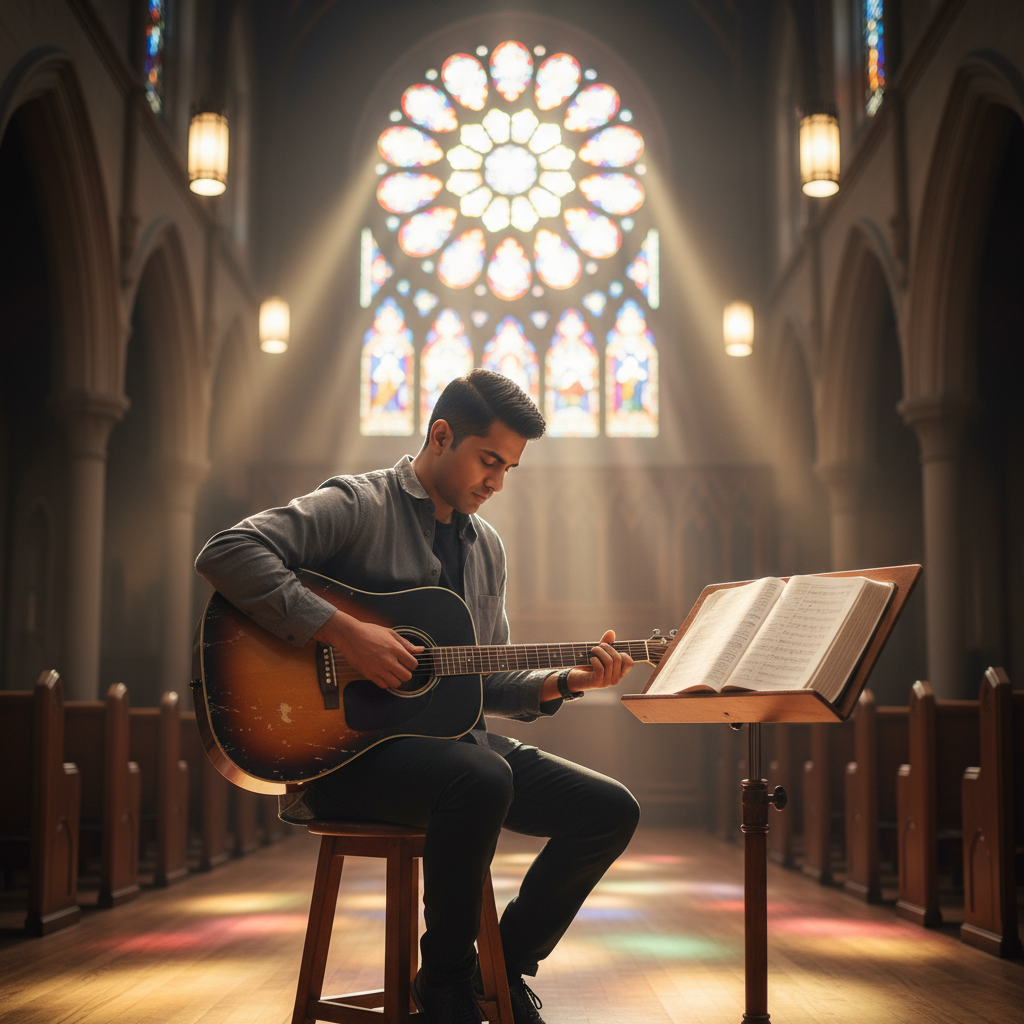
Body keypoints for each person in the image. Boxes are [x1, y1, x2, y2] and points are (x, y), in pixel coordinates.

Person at [195, 369, 640, 1024]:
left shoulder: (486, 547)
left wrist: (567, 681)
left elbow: (481, 680)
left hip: (457, 752)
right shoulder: (357, 504)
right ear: (441, 435)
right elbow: (228, 551)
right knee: (482, 778)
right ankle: (446, 985)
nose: (497, 482)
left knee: (608, 809)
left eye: (510, 469)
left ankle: (504, 968)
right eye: (489, 461)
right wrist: (346, 633)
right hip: (343, 759)